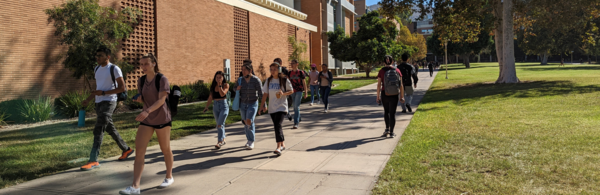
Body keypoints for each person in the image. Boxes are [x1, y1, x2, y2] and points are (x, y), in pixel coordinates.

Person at [119, 53, 174, 195]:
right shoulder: (141, 80)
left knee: (165, 149)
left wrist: (147, 110)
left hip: (162, 118)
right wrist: (140, 100)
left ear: (153, 63)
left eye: (146, 64)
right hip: (147, 119)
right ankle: (135, 187)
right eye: (141, 64)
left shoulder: (162, 79)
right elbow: (145, 99)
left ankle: (169, 176)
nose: (143, 67)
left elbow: (161, 100)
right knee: (139, 151)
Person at [80, 47, 133, 171]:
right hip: (99, 102)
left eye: (100, 55)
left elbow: (122, 88)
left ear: (108, 57)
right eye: (96, 55)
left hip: (110, 101)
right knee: (109, 127)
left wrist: (104, 93)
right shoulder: (97, 68)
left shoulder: (114, 69)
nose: (97, 57)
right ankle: (126, 149)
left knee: (99, 128)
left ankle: (93, 160)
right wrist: (88, 99)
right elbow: (99, 87)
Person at [259, 62, 294, 156]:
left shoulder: (284, 80)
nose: (272, 71)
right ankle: (282, 143)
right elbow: (265, 94)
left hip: (282, 106)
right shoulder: (268, 80)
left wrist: (283, 93)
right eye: (271, 69)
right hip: (272, 107)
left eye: (274, 69)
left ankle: (278, 147)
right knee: (277, 125)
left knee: (277, 125)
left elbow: (291, 91)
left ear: (278, 70)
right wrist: (261, 106)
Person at [235, 62, 263, 150]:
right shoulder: (240, 80)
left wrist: (264, 105)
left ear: (250, 70)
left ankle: (251, 140)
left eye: (245, 70)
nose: (243, 71)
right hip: (243, 103)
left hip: (253, 103)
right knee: (245, 122)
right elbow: (234, 88)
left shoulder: (256, 80)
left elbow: (261, 93)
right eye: (242, 69)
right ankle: (248, 140)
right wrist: (237, 88)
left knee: (249, 120)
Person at [376, 55, 405, 138]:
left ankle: (387, 129)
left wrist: (378, 96)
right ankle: (392, 132)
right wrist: (402, 96)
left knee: (386, 112)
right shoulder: (397, 70)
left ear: (384, 62)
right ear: (392, 62)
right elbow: (401, 85)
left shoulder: (381, 71)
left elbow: (379, 85)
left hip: (385, 93)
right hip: (394, 94)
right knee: (392, 114)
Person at [203, 71, 230, 149]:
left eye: (220, 77)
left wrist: (220, 86)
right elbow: (211, 97)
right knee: (219, 124)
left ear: (223, 78)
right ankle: (223, 139)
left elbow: (222, 94)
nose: (218, 79)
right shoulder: (213, 86)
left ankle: (219, 141)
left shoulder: (226, 85)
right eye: (217, 77)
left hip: (224, 106)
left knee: (220, 124)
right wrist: (206, 106)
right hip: (216, 106)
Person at [287, 60, 308, 129]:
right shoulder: (289, 72)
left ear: (297, 64)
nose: (291, 64)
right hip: (292, 91)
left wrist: (306, 92)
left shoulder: (300, 72)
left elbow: (304, 83)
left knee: (296, 106)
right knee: (294, 107)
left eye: (293, 63)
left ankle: (296, 123)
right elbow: (288, 82)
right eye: (291, 63)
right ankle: (299, 117)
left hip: (299, 91)